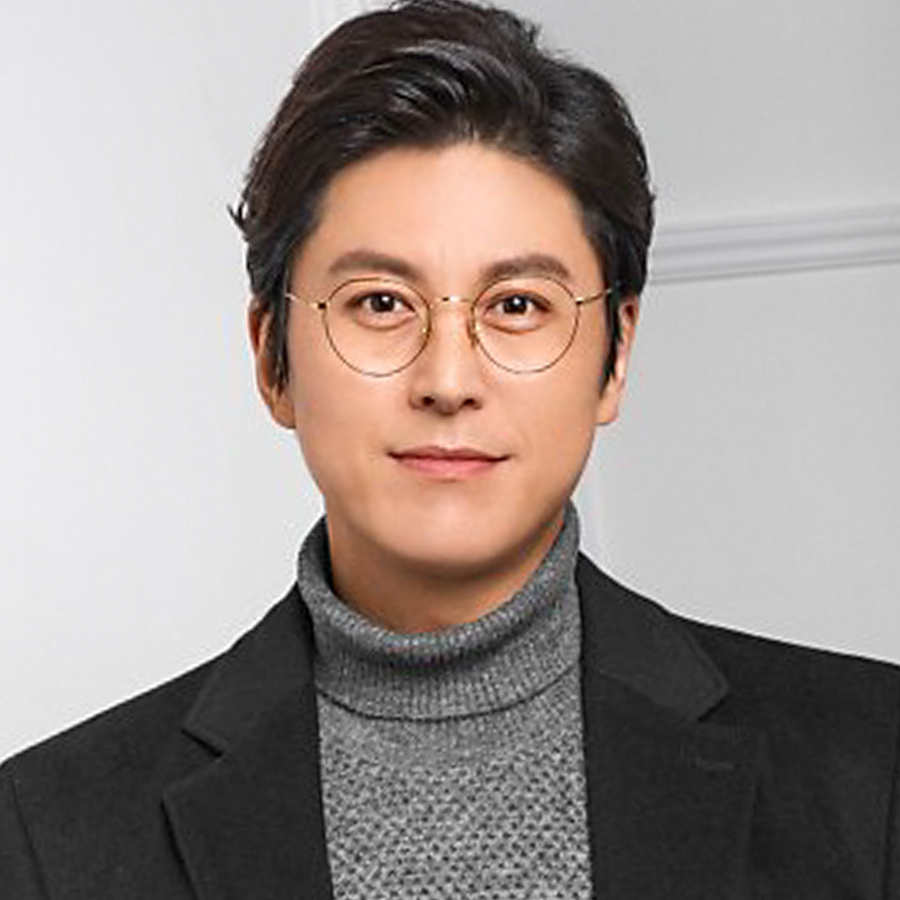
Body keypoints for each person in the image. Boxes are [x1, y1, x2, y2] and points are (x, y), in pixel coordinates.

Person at [1, 0, 898, 896]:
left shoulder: (871, 765)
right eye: (380, 303)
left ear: (615, 355)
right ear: (272, 358)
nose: (448, 378)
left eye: (518, 306)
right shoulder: (49, 834)